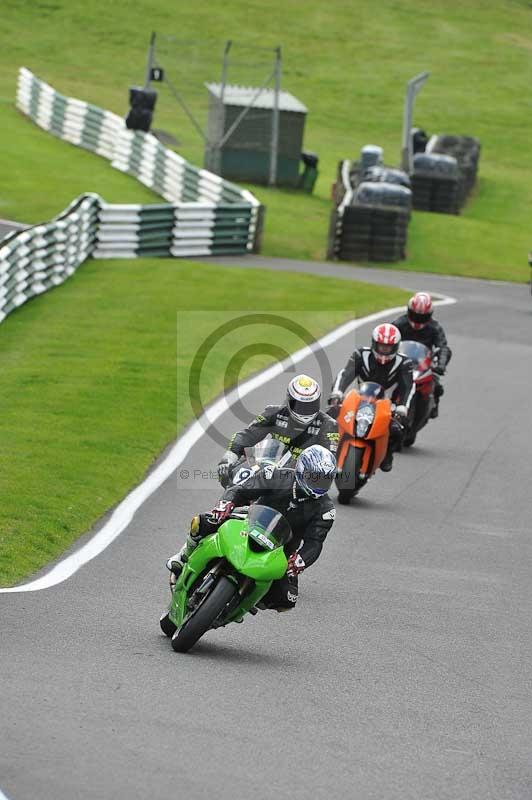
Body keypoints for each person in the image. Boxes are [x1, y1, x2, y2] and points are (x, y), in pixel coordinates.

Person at [167, 445, 337, 612]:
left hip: (281, 547)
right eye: (315, 478)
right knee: (203, 521)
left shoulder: (326, 510)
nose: (319, 484)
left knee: (286, 599)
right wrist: (226, 503)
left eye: (325, 480)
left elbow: (315, 543)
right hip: (250, 521)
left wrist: (301, 560)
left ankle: (242, 603)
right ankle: (184, 555)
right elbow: (241, 490)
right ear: (301, 469)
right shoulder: (275, 475)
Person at [217, 374, 339, 487]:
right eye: (301, 406)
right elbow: (248, 435)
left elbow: (329, 461)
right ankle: (226, 505)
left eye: (311, 405)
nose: (305, 411)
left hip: (301, 479)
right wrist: (230, 456)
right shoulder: (273, 413)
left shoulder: (328, 424)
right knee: (231, 470)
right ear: (289, 400)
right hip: (268, 468)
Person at [328, 323, 414, 472]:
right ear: (374, 343)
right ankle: (327, 447)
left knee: (398, 429)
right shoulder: (361, 354)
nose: (384, 350)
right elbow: (345, 374)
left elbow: (408, 386)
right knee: (331, 414)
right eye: (381, 346)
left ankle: (387, 454)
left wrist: (402, 408)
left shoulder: (404, 363)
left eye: (388, 347)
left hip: (388, 404)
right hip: (361, 398)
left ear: (395, 347)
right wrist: (337, 393)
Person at [391, 292, 452, 418]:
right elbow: (387, 339)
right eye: (415, 315)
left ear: (429, 315)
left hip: (423, 364)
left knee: (437, 386)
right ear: (409, 311)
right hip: (401, 361)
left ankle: (434, 405)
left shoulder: (435, 328)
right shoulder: (399, 323)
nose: (418, 320)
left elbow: (443, 347)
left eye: (422, 317)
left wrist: (441, 365)